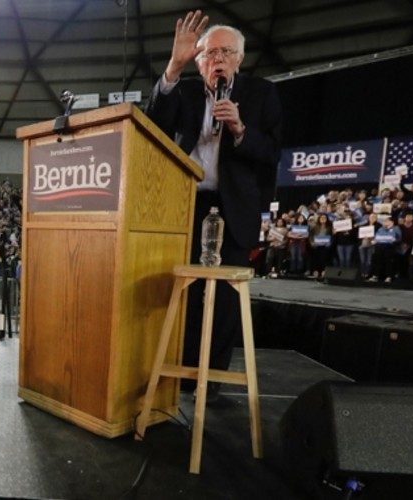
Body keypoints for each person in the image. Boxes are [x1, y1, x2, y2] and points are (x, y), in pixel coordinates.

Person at [147, 10, 282, 399]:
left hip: (234, 208)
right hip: (186, 205)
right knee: (184, 291)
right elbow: (153, 123)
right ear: (198, 58)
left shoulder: (261, 94)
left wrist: (240, 129)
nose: (215, 59)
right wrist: (174, 66)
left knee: (223, 302)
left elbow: (272, 152)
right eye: (207, 52)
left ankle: (212, 381)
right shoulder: (185, 91)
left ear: (239, 58)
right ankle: (182, 374)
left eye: (224, 52)